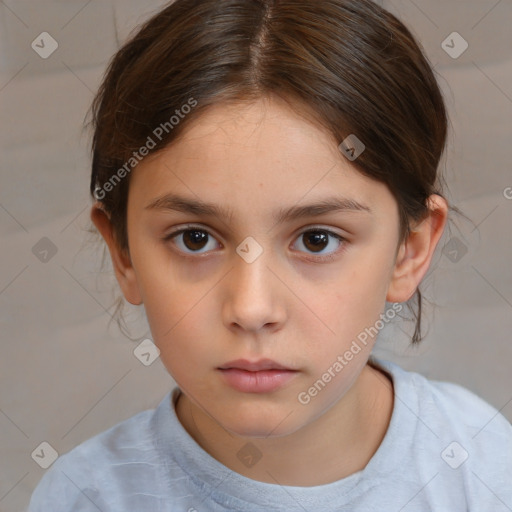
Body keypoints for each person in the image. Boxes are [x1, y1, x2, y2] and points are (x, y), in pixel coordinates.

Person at [29, 0, 512, 510]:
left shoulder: (483, 468)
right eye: (195, 239)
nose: (252, 309)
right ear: (123, 252)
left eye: (317, 240)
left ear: (409, 252)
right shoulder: (84, 497)